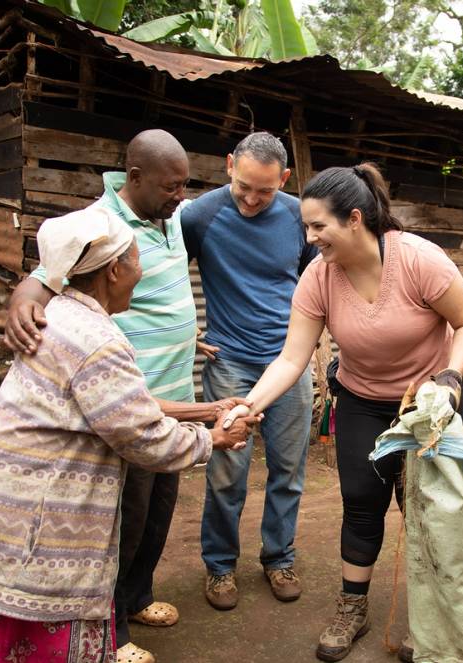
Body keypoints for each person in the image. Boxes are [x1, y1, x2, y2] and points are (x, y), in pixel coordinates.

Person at [0, 206, 259, 663]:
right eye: (135, 261)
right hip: (31, 521)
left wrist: (208, 408)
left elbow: (116, 407)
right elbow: (144, 437)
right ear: (114, 270)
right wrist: (215, 438)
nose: (141, 272)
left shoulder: (59, 312)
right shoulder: (98, 341)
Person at [220, 163, 463, 662]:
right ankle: (352, 607)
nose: (310, 237)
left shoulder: (419, 260)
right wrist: (249, 406)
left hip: (429, 402)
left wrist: (451, 376)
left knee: (427, 510)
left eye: (319, 226)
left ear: (355, 219)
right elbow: (292, 357)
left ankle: (437, 619)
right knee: (361, 500)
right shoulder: (319, 276)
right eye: (306, 227)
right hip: (362, 398)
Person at [4, 129, 238, 663]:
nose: (181, 195)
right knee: (122, 524)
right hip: (125, 405)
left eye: (184, 185)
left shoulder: (168, 215)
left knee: (157, 514)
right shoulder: (100, 225)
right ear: (134, 178)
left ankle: (138, 598)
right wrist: (23, 296)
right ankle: (111, 634)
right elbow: (46, 274)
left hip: (175, 392)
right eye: (171, 185)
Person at [180, 131, 317, 610]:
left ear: (284, 179)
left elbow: (317, 280)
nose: (253, 199)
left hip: (290, 364)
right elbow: (163, 272)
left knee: (288, 468)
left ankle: (279, 558)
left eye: (266, 190)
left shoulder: (301, 216)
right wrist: (186, 332)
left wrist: (314, 341)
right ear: (228, 165)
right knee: (226, 471)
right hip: (230, 365)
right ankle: (220, 568)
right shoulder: (198, 215)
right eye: (244, 186)